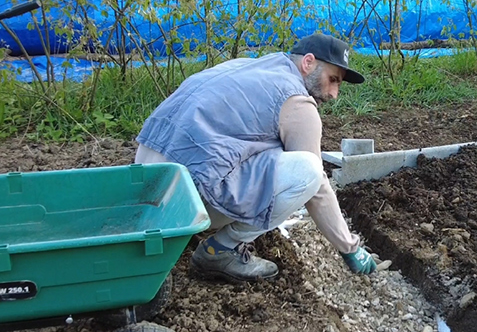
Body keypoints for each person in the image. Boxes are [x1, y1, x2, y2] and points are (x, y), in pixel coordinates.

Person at [134, 33, 382, 283]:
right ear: (308, 63)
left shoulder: (250, 66)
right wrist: (350, 247)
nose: (334, 93)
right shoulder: (297, 102)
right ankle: (220, 250)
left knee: (268, 148)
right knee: (307, 172)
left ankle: (190, 225)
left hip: (144, 186)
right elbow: (317, 188)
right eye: (333, 80)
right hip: (182, 204)